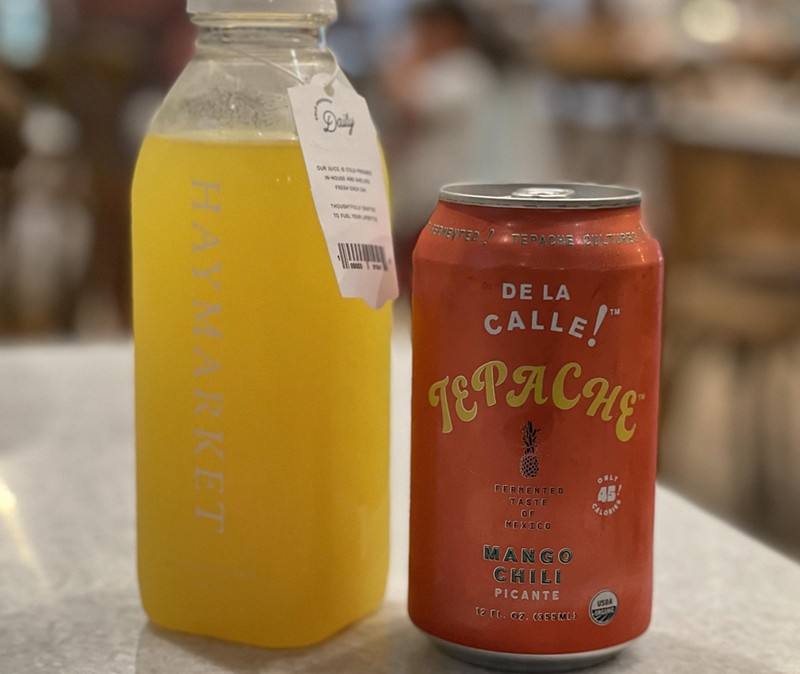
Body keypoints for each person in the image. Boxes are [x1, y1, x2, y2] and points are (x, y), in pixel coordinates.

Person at [381, 1, 500, 296]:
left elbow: (409, 101)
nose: (422, 36)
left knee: (428, 278)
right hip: (418, 190)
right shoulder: (439, 68)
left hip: (440, 188)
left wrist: (406, 57)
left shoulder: (464, 69)